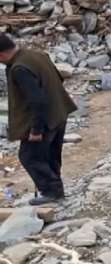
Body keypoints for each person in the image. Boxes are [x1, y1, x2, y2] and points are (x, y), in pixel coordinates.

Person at [0, 35, 77, 205]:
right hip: (59, 112)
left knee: (29, 156)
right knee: (50, 155)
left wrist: (36, 130)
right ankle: (56, 191)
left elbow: (37, 101)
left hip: (44, 119)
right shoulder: (37, 55)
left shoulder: (19, 69)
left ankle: (52, 192)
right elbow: (59, 78)